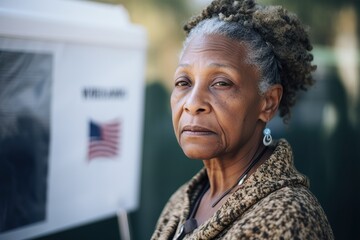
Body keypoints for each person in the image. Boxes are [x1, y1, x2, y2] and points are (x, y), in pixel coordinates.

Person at [151, 0, 334, 239]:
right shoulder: (183, 199)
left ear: (267, 102)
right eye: (183, 83)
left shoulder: (286, 217)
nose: (193, 103)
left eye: (221, 83)